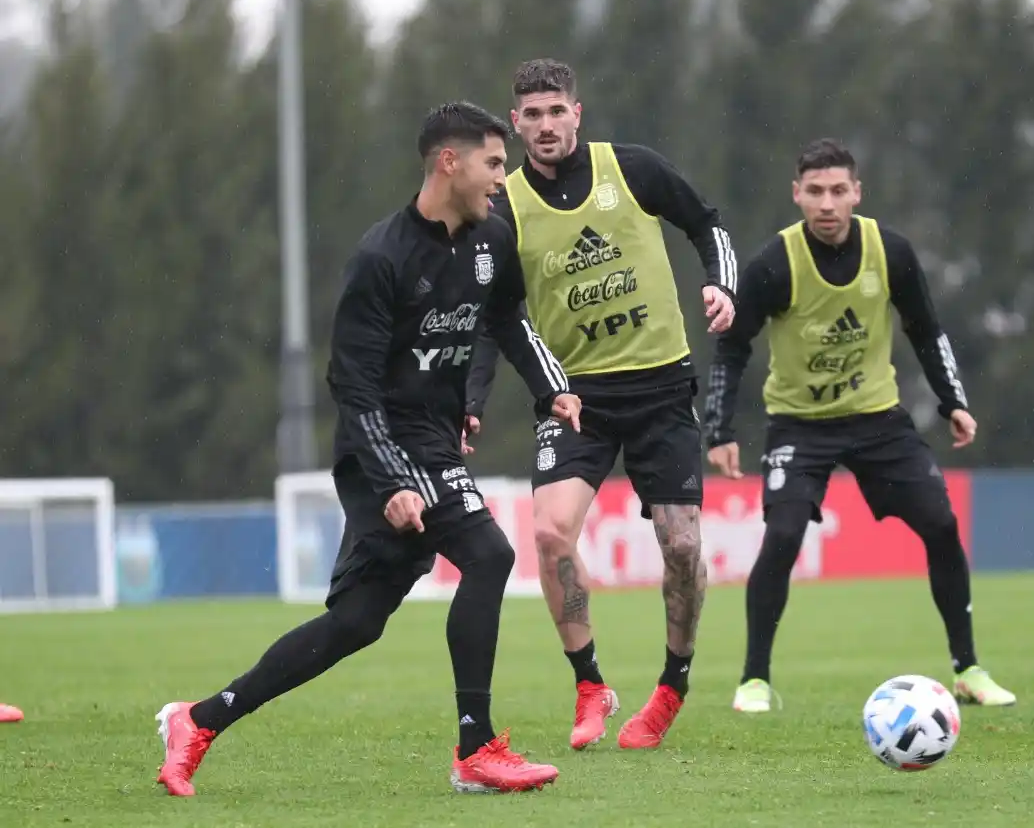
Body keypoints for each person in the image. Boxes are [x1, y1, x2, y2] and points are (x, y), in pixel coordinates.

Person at [154, 102, 582, 797]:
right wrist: (392, 481)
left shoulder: (493, 238)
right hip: (377, 448)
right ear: (451, 162)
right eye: (494, 163)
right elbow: (351, 388)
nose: (504, 178)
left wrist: (550, 389)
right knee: (491, 554)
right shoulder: (381, 257)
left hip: (432, 443)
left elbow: (507, 322)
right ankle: (476, 748)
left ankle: (199, 719)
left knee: (356, 622)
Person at [464, 58, 738, 751]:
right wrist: (470, 400)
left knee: (681, 545)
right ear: (516, 121)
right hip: (574, 399)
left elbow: (707, 223)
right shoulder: (504, 209)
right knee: (552, 533)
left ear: (576, 113)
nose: (547, 124)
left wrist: (721, 285)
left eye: (557, 111)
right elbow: (494, 319)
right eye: (533, 114)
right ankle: (590, 682)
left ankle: (673, 681)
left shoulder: (633, 170)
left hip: (660, 386)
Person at [703, 138, 1017, 713]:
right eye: (815, 192)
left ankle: (969, 668)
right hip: (799, 426)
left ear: (857, 194)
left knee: (941, 525)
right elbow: (731, 348)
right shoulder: (774, 264)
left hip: (878, 421)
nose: (827, 204)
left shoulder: (890, 252)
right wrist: (719, 430)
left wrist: (954, 401)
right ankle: (754, 680)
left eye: (838, 191)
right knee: (783, 536)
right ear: (797, 194)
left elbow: (927, 330)